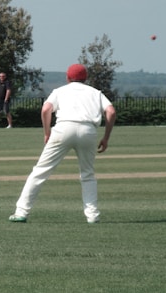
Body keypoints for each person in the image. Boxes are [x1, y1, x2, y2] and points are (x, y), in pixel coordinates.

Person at [8, 64, 116, 223]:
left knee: (40, 171)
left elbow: (46, 110)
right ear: (85, 78)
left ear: (68, 77)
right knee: (87, 175)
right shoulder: (95, 93)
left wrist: (47, 133)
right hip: (88, 131)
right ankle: (92, 216)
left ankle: (21, 212)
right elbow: (111, 111)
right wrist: (106, 138)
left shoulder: (60, 91)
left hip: (63, 129)